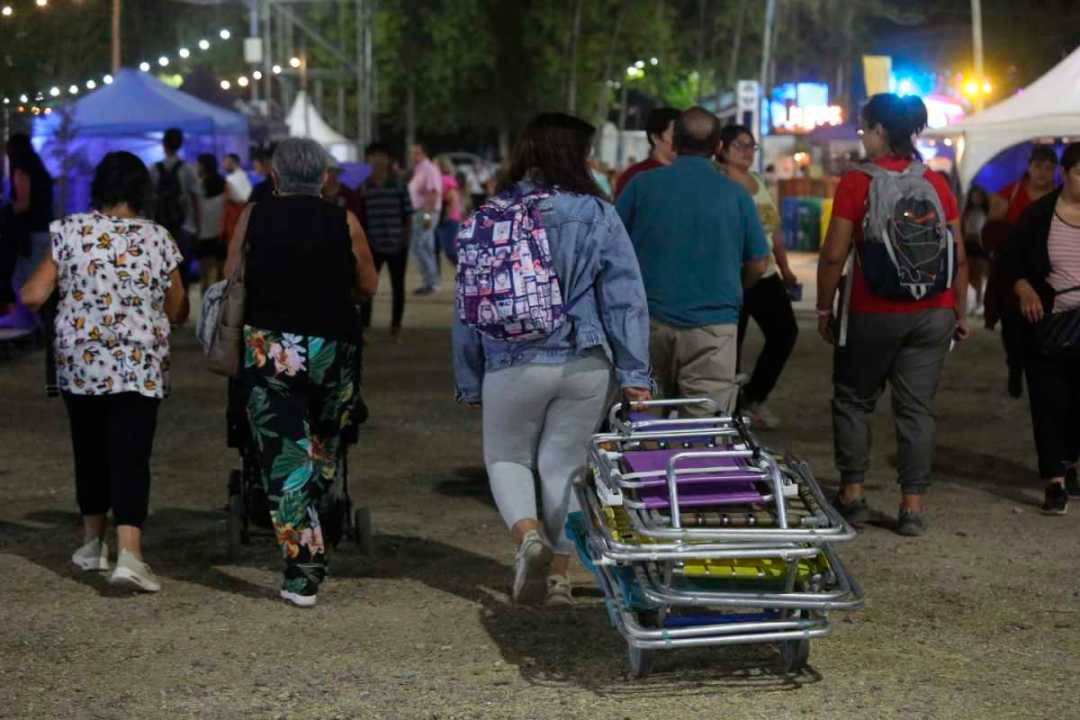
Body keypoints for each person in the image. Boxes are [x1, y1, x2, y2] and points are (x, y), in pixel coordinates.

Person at [454, 112, 651, 607]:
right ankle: (560, 579)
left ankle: (527, 539)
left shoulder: (488, 215)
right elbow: (624, 297)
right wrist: (635, 373)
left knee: (506, 457)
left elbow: (468, 305)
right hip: (584, 359)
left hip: (511, 358)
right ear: (576, 156)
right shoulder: (597, 212)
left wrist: (469, 376)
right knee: (564, 466)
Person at [20, 151, 189, 592]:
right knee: (131, 455)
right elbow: (177, 309)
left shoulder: (69, 230)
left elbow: (34, 294)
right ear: (141, 191)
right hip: (138, 364)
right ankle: (130, 555)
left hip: (82, 363)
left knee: (90, 450)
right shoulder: (158, 237)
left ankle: (92, 545)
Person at [225, 138, 378, 608]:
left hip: (272, 347)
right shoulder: (344, 221)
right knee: (325, 444)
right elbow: (368, 284)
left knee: (285, 457)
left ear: (274, 177)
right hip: (334, 346)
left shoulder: (254, 217)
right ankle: (316, 504)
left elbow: (232, 277)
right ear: (325, 179)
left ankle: (304, 572)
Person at [817, 93, 968, 537]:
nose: (862, 135)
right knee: (916, 408)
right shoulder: (935, 182)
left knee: (853, 398)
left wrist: (825, 308)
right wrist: (958, 310)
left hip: (873, 310)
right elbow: (958, 254)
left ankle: (853, 494)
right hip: (933, 312)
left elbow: (833, 254)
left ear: (880, 130)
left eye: (865, 128)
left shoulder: (857, 182)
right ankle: (912, 506)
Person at [616, 107, 769, 416]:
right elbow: (758, 263)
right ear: (718, 147)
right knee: (702, 429)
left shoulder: (641, 185)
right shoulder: (737, 195)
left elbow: (611, 248)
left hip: (647, 327)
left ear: (674, 142)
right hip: (714, 328)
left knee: (644, 422)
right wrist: (735, 289)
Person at [1002, 142, 1080, 515]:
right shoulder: (1038, 216)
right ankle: (1055, 481)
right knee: (1048, 402)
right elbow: (1010, 262)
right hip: (1048, 325)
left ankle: (1071, 462)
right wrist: (1025, 289)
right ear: (1066, 174)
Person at [716, 124, 799, 429]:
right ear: (722, 147)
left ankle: (753, 397)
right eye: (740, 145)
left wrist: (785, 268)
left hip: (765, 274)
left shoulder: (758, 181)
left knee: (785, 333)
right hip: (731, 274)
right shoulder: (717, 181)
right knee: (730, 344)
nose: (747, 152)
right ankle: (728, 411)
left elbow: (773, 229)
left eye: (751, 146)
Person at [986, 146, 1060, 398]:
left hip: (1049, 274)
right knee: (1012, 327)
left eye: (1049, 167)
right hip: (1012, 273)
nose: (1043, 172)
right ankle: (1015, 366)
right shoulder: (1009, 194)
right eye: (1038, 166)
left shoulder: (1063, 198)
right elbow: (991, 234)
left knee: (1043, 326)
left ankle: (1038, 372)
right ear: (1029, 167)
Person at [358, 142, 413, 340]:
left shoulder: (399, 184)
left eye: (382, 155)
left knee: (398, 287)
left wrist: (405, 240)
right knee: (367, 286)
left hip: (397, 245)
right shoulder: (363, 186)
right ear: (368, 159)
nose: (378, 160)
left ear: (389, 159)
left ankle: (395, 327)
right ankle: (364, 327)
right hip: (372, 245)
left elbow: (408, 215)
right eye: (373, 156)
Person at [5, 133, 54, 308]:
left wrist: (5, 211)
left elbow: (23, 203)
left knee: (24, 283)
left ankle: (29, 321)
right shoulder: (38, 169)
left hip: (30, 234)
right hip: (43, 229)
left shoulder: (21, 170)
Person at [150, 128, 200, 289]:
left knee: (161, 269)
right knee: (183, 270)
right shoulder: (188, 169)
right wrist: (197, 226)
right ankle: (182, 302)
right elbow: (196, 200)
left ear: (163, 145)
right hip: (184, 227)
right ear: (180, 145)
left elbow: (149, 200)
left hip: (159, 228)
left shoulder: (153, 169)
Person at [613, 106, 680, 199]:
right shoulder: (633, 176)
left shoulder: (687, 174)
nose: (682, 140)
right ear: (655, 138)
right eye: (675, 135)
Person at [407, 142, 443, 295]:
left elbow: (433, 192)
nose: (412, 156)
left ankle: (431, 282)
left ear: (423, 153)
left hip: (426, 212)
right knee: (425, 246)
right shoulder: (419, 169)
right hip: (421, 212)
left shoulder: (429, 168)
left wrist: (427, 215)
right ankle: (430, 282)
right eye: (412, 152)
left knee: (419, 246)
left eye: (416, 152)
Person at [194, 153, 227, 291]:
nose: (196, 167)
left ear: (203, 166)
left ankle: (206, 300)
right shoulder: (225, 183)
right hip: (221, 233)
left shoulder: (198, 186)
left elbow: (196, 212)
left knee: (205, 276)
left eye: (197, 164)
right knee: (221, 275)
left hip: (204, 234)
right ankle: (220, 300)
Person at [961, 185, 991, 315]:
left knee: (978, 275)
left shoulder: (986, 212)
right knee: (968, 274)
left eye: (978, 195)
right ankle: (971, 303)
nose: (976, 198)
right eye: (974, 195)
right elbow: (964, 228)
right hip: (969, 243)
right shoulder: (967, 212)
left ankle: (978, 303)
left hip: (980, 244)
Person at [435, 155, 463, 264]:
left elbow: (452, 198)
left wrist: (446, 215)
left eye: (435, 164)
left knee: (451, 251)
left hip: (448, 219)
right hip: (448, 218)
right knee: (444, 250)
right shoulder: (446, 179)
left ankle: (466, 268)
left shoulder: (445, 179)